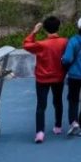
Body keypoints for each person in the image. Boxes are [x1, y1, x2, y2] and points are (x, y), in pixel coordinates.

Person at [22, 16, 68, 144]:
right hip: (58, 77)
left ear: (45, 29)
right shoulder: (64, 42)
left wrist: (34, 32)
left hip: (42, 78)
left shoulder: (41, 44)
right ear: (58, 27)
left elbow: (26, 45)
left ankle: (40, 132)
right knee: (58, 102)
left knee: (41, 105)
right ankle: (58, 127)